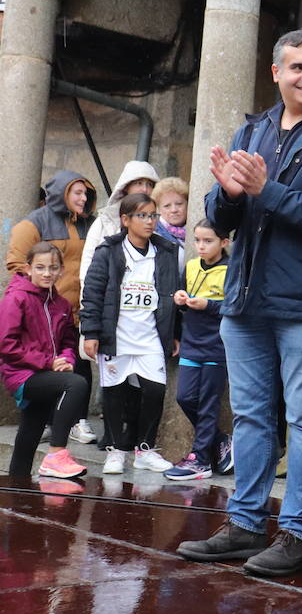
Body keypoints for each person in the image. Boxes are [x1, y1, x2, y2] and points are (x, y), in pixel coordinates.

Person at [176, 28, 302, 577]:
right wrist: (227, 194)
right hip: (245, 300)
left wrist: (268, 191)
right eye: (298, 68)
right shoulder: (254, 128)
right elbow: (220, 220)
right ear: (276, 74)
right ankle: (244, 525)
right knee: (251, 418)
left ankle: (296, 533)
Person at [80, 192, 184, 475]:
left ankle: (145, 450)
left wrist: (174, 332)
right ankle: (117, 450)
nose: (150, 221)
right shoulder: (109, 252)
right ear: (125, 220)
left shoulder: (165, 252)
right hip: (117, 336)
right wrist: (91, 331)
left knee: (154, 391)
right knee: (114, 392)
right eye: (142, 215)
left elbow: (170, 296)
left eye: (153, 215)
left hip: (150, 336)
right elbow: (92, 294)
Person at [6, 170, 98, 445]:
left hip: (79, 308)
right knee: (51, 369)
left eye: (86, 193)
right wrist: (39, 299)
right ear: (61, 193)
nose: (83, 198)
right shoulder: (32, 223)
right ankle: (50, 426)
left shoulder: (90, 225)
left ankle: (77, 422)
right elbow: (17, 264)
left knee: (79, 364)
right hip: (45, 309)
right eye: (77, 192)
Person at [1, 242, 91, 480]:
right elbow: (5, 344)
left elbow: (69, 341)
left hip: (47, 373)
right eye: (40, 267)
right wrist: (48, 363)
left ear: (61, 270)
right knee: (76, 384)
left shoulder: (60, 304)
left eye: (53, 268)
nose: (47, 273)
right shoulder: (17, 298)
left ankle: (16, 491)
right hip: (21, 374)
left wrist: (66, 359)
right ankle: (56, 454)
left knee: (30, 432)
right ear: (28, 268)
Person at [164, 220, 233, 481]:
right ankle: (220, 440)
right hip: (192, 344)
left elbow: (235, 308)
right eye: (197, 240)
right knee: (185, 397)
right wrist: (180, 300)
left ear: (224, 243)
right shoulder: (191, 266)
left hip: (217, 346)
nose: (201, 246)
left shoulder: (231, 269)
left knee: (207, 403)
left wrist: (210, 306)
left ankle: (200, 459)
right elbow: (181, 298)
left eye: (208, 241)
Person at [79, 160, 159, 284]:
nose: (145, 189)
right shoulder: (105, 221)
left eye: (149, 184)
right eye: (139, 183)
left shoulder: (159, 222)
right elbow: (88, 263)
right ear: (126, 186)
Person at [152, 177, 190, 245]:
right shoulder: (153, 235)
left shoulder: (199, 229)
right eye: (167, 206)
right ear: (158, 210)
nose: (174, 210)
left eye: (179, 204)